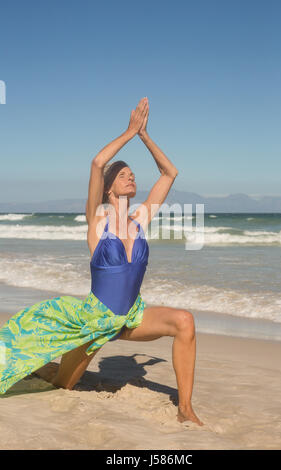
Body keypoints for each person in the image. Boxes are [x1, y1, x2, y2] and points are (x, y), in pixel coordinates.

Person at [0, 97, 203, 426]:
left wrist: (145, 136)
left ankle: (186, 409)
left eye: (132, 174)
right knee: (63, 385)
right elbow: (97, 163)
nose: (131, 177)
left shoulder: (139, 219)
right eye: (123, 174)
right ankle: (39, 364)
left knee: (185, 321)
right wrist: (128, 131)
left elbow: (170, 172)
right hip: (95, 322)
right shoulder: (97, 221)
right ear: (108, 188)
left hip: (131, 319)